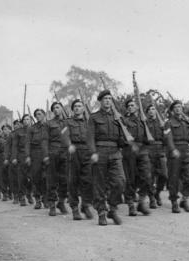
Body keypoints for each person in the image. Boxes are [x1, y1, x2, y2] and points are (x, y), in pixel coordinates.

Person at [87, 89, 126, 226]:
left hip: (115, 152)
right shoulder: (94, 117)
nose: (108, 101)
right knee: (100, 185)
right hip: (100, 151)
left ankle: (113, 208)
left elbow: (122, 137)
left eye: (110, 98)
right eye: (105, 99)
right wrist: (93, 153)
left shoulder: (117, 117)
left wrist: (126, 139)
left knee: (120, 181)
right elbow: (90, 137)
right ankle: (102, 212)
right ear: (100, 101)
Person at [62, 99, 95, 221]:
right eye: (75, 106)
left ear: (83, 109)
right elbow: (64, 135)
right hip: (73, 152)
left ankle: (85, 205)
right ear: (72, 109)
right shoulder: (68, 122)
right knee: (73, 181)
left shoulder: (89, 123)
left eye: (79, 106)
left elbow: (92, 138)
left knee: (88, 180)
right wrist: (69, 144)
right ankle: (75, 208)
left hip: (86, 152)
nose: (77, 108)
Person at [163, 99, 189, 213]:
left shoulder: (186, 122)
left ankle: (185, 199)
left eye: (180, 107)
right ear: (172, 111)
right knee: (174, 179)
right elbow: (168, 137)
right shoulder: (168, 123)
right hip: (175, 151)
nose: (179, 109)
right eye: (176, 107)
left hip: (186, 150)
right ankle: (174, 202)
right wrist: (172, 149)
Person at [122, 97, 153, 216]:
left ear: (137, 107)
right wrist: (131, 144)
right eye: (129, 105)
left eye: (133, 105)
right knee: (130, 178)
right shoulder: (124, 121)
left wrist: (148, 140)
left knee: (147, 176)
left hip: (142, 150)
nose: (131, 107)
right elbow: (122, 137)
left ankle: (141, 202)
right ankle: (130, 204)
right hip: (129, 150)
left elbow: (147, 137)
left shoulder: (143, 121)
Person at [42, 101, 68, 216]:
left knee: (66, 180)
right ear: (52, 111)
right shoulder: (49, 124)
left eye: (58, 107)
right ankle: (52, 204)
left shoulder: (68, 122)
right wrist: (46, 155)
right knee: (52, 179)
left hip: (65, 153)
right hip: (53, 152)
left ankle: (61, 202)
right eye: (54, 108)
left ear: (62, 108)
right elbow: (44, 141)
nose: (56, 110)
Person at [145, 104, 168, 207]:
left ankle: (157, 193)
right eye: (149, 109)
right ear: (147, 112)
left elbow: (167, 138)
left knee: (164, 174)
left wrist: (165, 130)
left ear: (156, 111)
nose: (151, 111)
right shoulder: (144, 123)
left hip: (161, 149)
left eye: (153, 109)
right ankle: (151, 198)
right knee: (149, 176)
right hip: (149, 149)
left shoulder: (162, 123)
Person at [25, 108, 48, 210]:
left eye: (40, 114)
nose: (38, 116)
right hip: (35, 153)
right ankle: (38, 199)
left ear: (44, 114)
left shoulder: (49, 126)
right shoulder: (32, 129)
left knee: (47, 177)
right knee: (36, 177)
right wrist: (28, 156)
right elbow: (27, 143)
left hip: (47, 153)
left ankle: (46, 199)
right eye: (36, 115)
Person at [11, 114, 32, 206]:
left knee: (33, 177)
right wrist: (14, 157)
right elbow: (14, 146)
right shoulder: (18, 132)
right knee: (22, 177)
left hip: (33, 155)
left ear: (31, 120)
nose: (26, 121)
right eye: (24, 119)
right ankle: (22, 196)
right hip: (21, 155)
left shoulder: (34, 130)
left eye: (28, 119)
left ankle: (29, 194)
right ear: (22, 121)